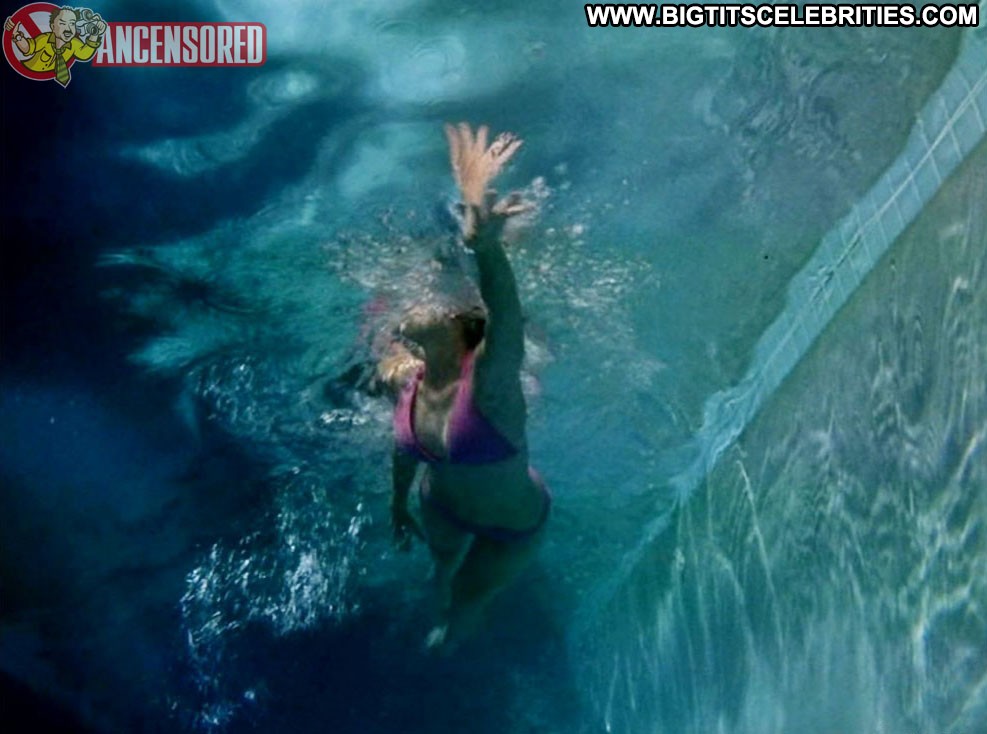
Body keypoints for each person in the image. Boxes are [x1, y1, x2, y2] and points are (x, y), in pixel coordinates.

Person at [377, 123, 550, 651]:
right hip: (440, 509)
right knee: (440, 574)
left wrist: (485, 248)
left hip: (512, 526)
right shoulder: (406, 377)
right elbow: (404, 452)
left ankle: (452, 642)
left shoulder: (489, 385)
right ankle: (438, 597)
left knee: (467, 605)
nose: (413, 300)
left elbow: (507, 318)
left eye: (428, 299)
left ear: (455, 322)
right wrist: (397, 504)